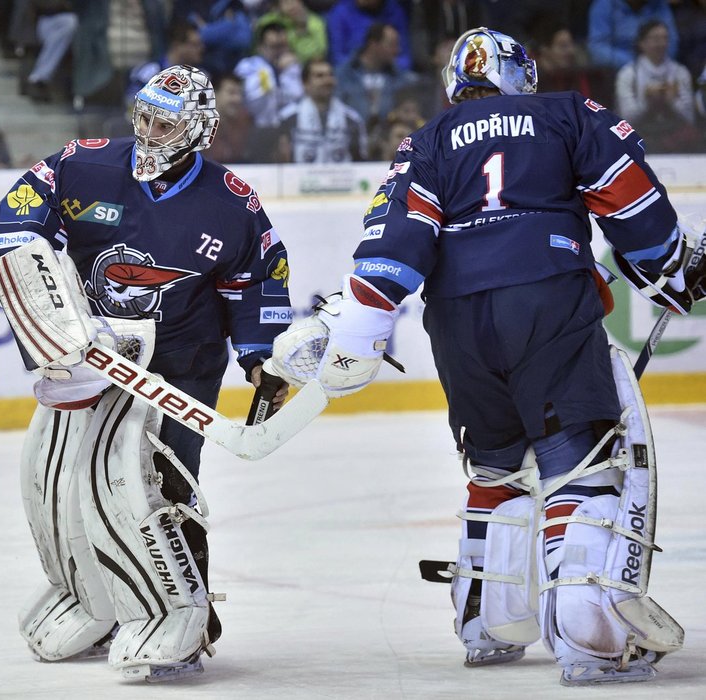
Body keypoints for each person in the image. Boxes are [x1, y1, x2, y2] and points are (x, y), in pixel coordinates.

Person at [267, 27, 701, 685]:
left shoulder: (429, 139)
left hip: (457, 317)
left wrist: (361, 328)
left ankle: (488, 624)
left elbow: (393, 241)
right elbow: (627, 196)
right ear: (518, 75)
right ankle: (591, 638)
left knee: (494, 466)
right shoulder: (565, 112)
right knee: (574, 467)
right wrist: (670, 268)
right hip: (546, 297)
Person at [0, 64, 292, 681]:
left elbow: (258, 279)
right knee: (64, 479)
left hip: (182, 360)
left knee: (157, 485)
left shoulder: (230, 203)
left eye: (165, 121)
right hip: (93, 357)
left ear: (197, 129)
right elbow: (12, 227)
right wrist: (51, 312)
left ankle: (182, 613)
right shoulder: (83, 164)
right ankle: (93, 599)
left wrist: (262, 358)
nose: (149, 130)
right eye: (143, 115)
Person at [614, 20, 699, 152]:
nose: (662, 44)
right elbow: (625, 120)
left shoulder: (680, 72)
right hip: (641, 136)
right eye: (655, 39)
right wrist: (647, 103)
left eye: (665, 38)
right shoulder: (628, 74)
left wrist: (671, 101)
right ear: (641, 43)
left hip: (675, 137)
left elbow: (690, 118)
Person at [335, 22, 420, 133]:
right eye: (392, 45)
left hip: (388, 140)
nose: (397, 50)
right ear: (373, 45)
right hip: (352, 138)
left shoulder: (402, 78)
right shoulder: (344, 74)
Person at [278, 58, 367, 162]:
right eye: (319, 76)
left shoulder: (352, 119)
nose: (327, 80)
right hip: (300, 177)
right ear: (305, 83)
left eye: (330, 75)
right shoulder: (287, 118)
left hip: (341, 177)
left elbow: (360, 161)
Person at [233, 20, 303, 127]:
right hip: (254, 126)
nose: (280, 52)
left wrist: (283, 73)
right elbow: (252, 100)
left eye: (283, 46)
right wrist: (273, 71)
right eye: (274, 46)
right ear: (260, 47)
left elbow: (297, 96)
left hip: (285, 126)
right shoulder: (247, 66)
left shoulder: (292, 66)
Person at [588, 0, 678, 70]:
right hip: (618, 70)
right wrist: (637, 65)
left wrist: (653, 64)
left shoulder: (659, 4)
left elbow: (672, 42)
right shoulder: (604, 5)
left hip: (659, 66)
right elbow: (597, 48)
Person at [325, 0, 412, 71]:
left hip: (391, 73)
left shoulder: (395, 11)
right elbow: (337, 57)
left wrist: (392, 67)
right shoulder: (340, 13)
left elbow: (405, 56)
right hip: (352, 74)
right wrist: (364, 67)